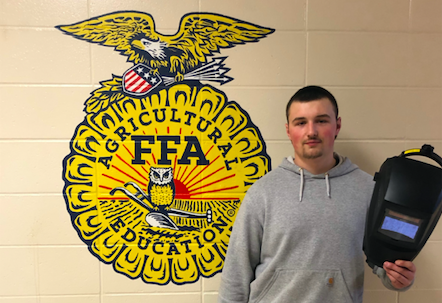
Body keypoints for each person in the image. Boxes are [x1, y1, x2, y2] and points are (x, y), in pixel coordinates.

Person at [218, 86, 416, 303]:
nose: (311, 131)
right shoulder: (263, 193)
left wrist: (397, 277)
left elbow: (383, 262)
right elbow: (236, 272)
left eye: (321, 121)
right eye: (301, 122)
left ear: (337, 125)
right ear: (288, 130)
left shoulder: (368, 188)